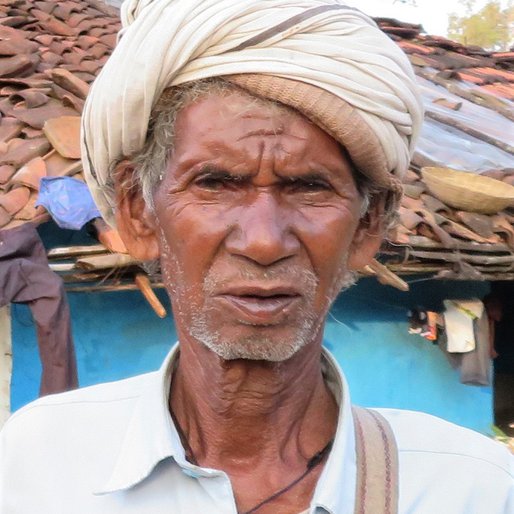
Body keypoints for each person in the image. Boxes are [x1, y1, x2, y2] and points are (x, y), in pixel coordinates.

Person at [1, 1, 512, 513]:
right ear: (138, 213)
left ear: (368, 223)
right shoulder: (37, 467)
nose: (264, 241)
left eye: (309, 187)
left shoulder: (472, 489)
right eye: (216, 184)